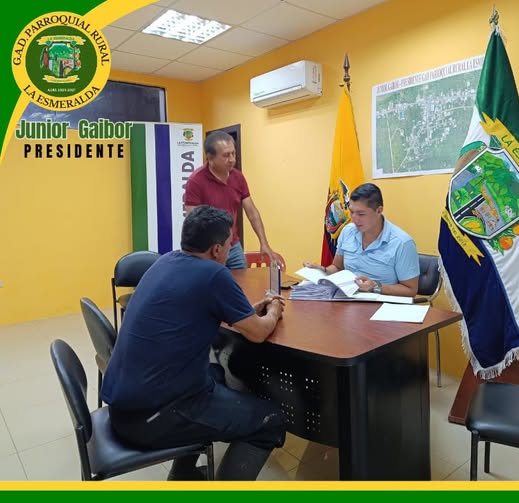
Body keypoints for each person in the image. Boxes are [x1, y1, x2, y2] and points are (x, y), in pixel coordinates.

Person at [101, 205, 287, 481]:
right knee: (270, 420)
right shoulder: (214, 274)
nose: (230, 250)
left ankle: (183, 476)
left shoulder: (165, 261)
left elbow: (197, 311)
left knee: (216, 374)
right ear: (216, 249)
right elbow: (258, 333)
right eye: (229, 244)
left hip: (124, 407)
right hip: (152, 418)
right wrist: (274, 310)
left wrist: (247, 312)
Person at [184, 130, 281, 270]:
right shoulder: (196, 181)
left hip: (232, 245)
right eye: (226, 155)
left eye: (233, 153)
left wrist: (264, 243)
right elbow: (193, 221)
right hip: (208, 249)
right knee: (212, 281)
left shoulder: (238, 177)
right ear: (210, 158)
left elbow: (252, 212)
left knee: (241, 280)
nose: (232, 159)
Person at [304, 183, 419, 297]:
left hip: (381, 302)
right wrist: (322, 270)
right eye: (351, 212)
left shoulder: (402, 243)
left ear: (379, 211)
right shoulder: (347, 231)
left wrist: (376, 286)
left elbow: (410, 290)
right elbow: (337, 267)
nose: (354, 219)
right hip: (346, 299)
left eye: (361, 214)